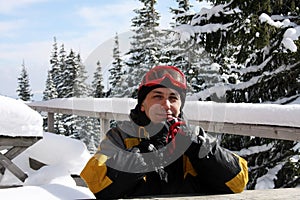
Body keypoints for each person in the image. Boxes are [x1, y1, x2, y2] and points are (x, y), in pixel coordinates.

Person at [80, 65, 248, 199]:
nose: (166, 105)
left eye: (173, 98)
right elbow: (95, 184)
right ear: (142, 105)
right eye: (157, 96)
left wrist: (197, 146)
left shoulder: (194, 136)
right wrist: (146, 152)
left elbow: (238, 181)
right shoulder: (120, 136)